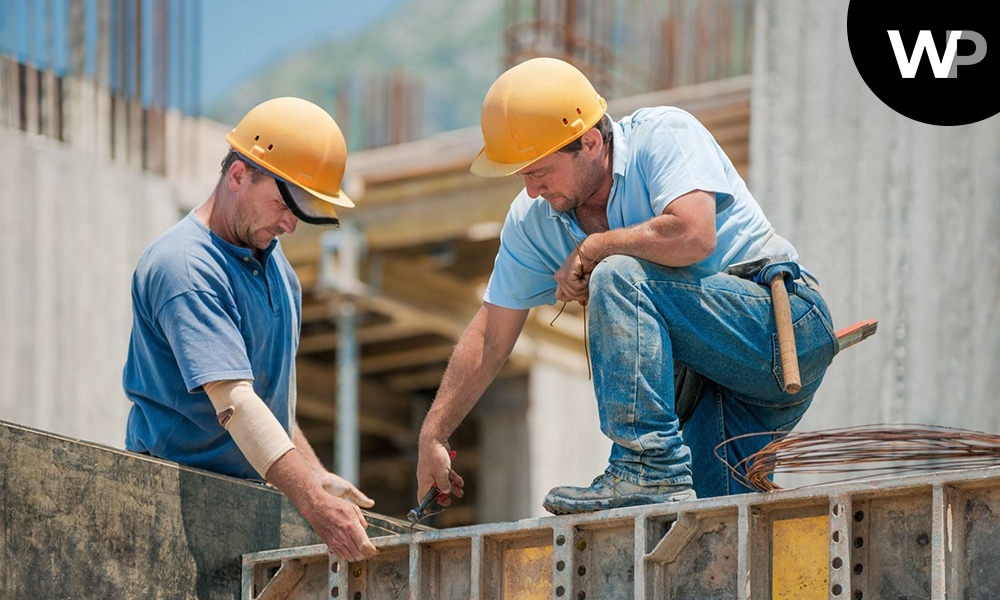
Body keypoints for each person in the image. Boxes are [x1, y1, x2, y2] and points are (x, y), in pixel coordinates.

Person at [416, 58, 838, 515]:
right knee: (713, 534)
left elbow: (695, 234)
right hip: (711, 387)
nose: (532, 190)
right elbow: (491, 333)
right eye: (523, 176)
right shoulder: (533, 220)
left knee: (617, 274)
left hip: (780, 329)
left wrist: (598, 246)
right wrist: (433, 434)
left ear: (591, 141)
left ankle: (646, 469)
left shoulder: (663, 135)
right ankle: (658, 478)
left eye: (539, 171)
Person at [123, 97, 378, 560]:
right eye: (284, 203)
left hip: (240, 506)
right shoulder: (185, 268)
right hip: (170, 508)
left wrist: (316, 475)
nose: (290, 224)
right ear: (238, 175)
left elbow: (264, 403)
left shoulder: (279, 272)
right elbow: (236, 404)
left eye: (301, 211)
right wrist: (314, 506)